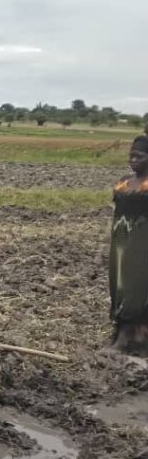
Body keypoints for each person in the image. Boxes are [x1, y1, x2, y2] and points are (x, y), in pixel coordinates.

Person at [109, 136, 148, 355]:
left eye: (140, 156)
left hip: (142, 243)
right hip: (120, 240)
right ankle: (122, 332)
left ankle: (127, 337)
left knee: (137, 286)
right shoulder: (124, 182)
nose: (133, 159)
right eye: (131, 155)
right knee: (119, 283)